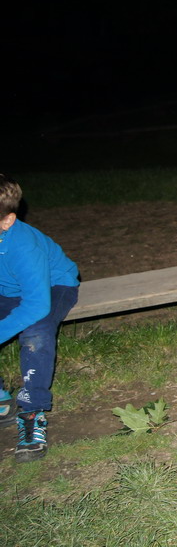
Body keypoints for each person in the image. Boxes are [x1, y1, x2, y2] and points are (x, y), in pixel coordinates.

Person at [0, 174, 80, 462]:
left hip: (53, 286)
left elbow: (35, 305)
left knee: (37, 332)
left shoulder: (23, 246)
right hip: (8, 289)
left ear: (7, 220)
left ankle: (32, 412)